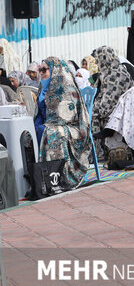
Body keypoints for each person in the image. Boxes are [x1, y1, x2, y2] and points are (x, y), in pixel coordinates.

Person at [36, 57, 92, 190]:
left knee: (51, 134)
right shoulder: (44, 87)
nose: (41, 73)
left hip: (71, 127)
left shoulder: (66, 87)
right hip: (49, 123)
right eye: (40, 70)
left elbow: (67, 116)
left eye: (44, 70)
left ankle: (56, 178)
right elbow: (38, 112)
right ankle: (35, 177)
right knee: (27, 135)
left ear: (54, 70)